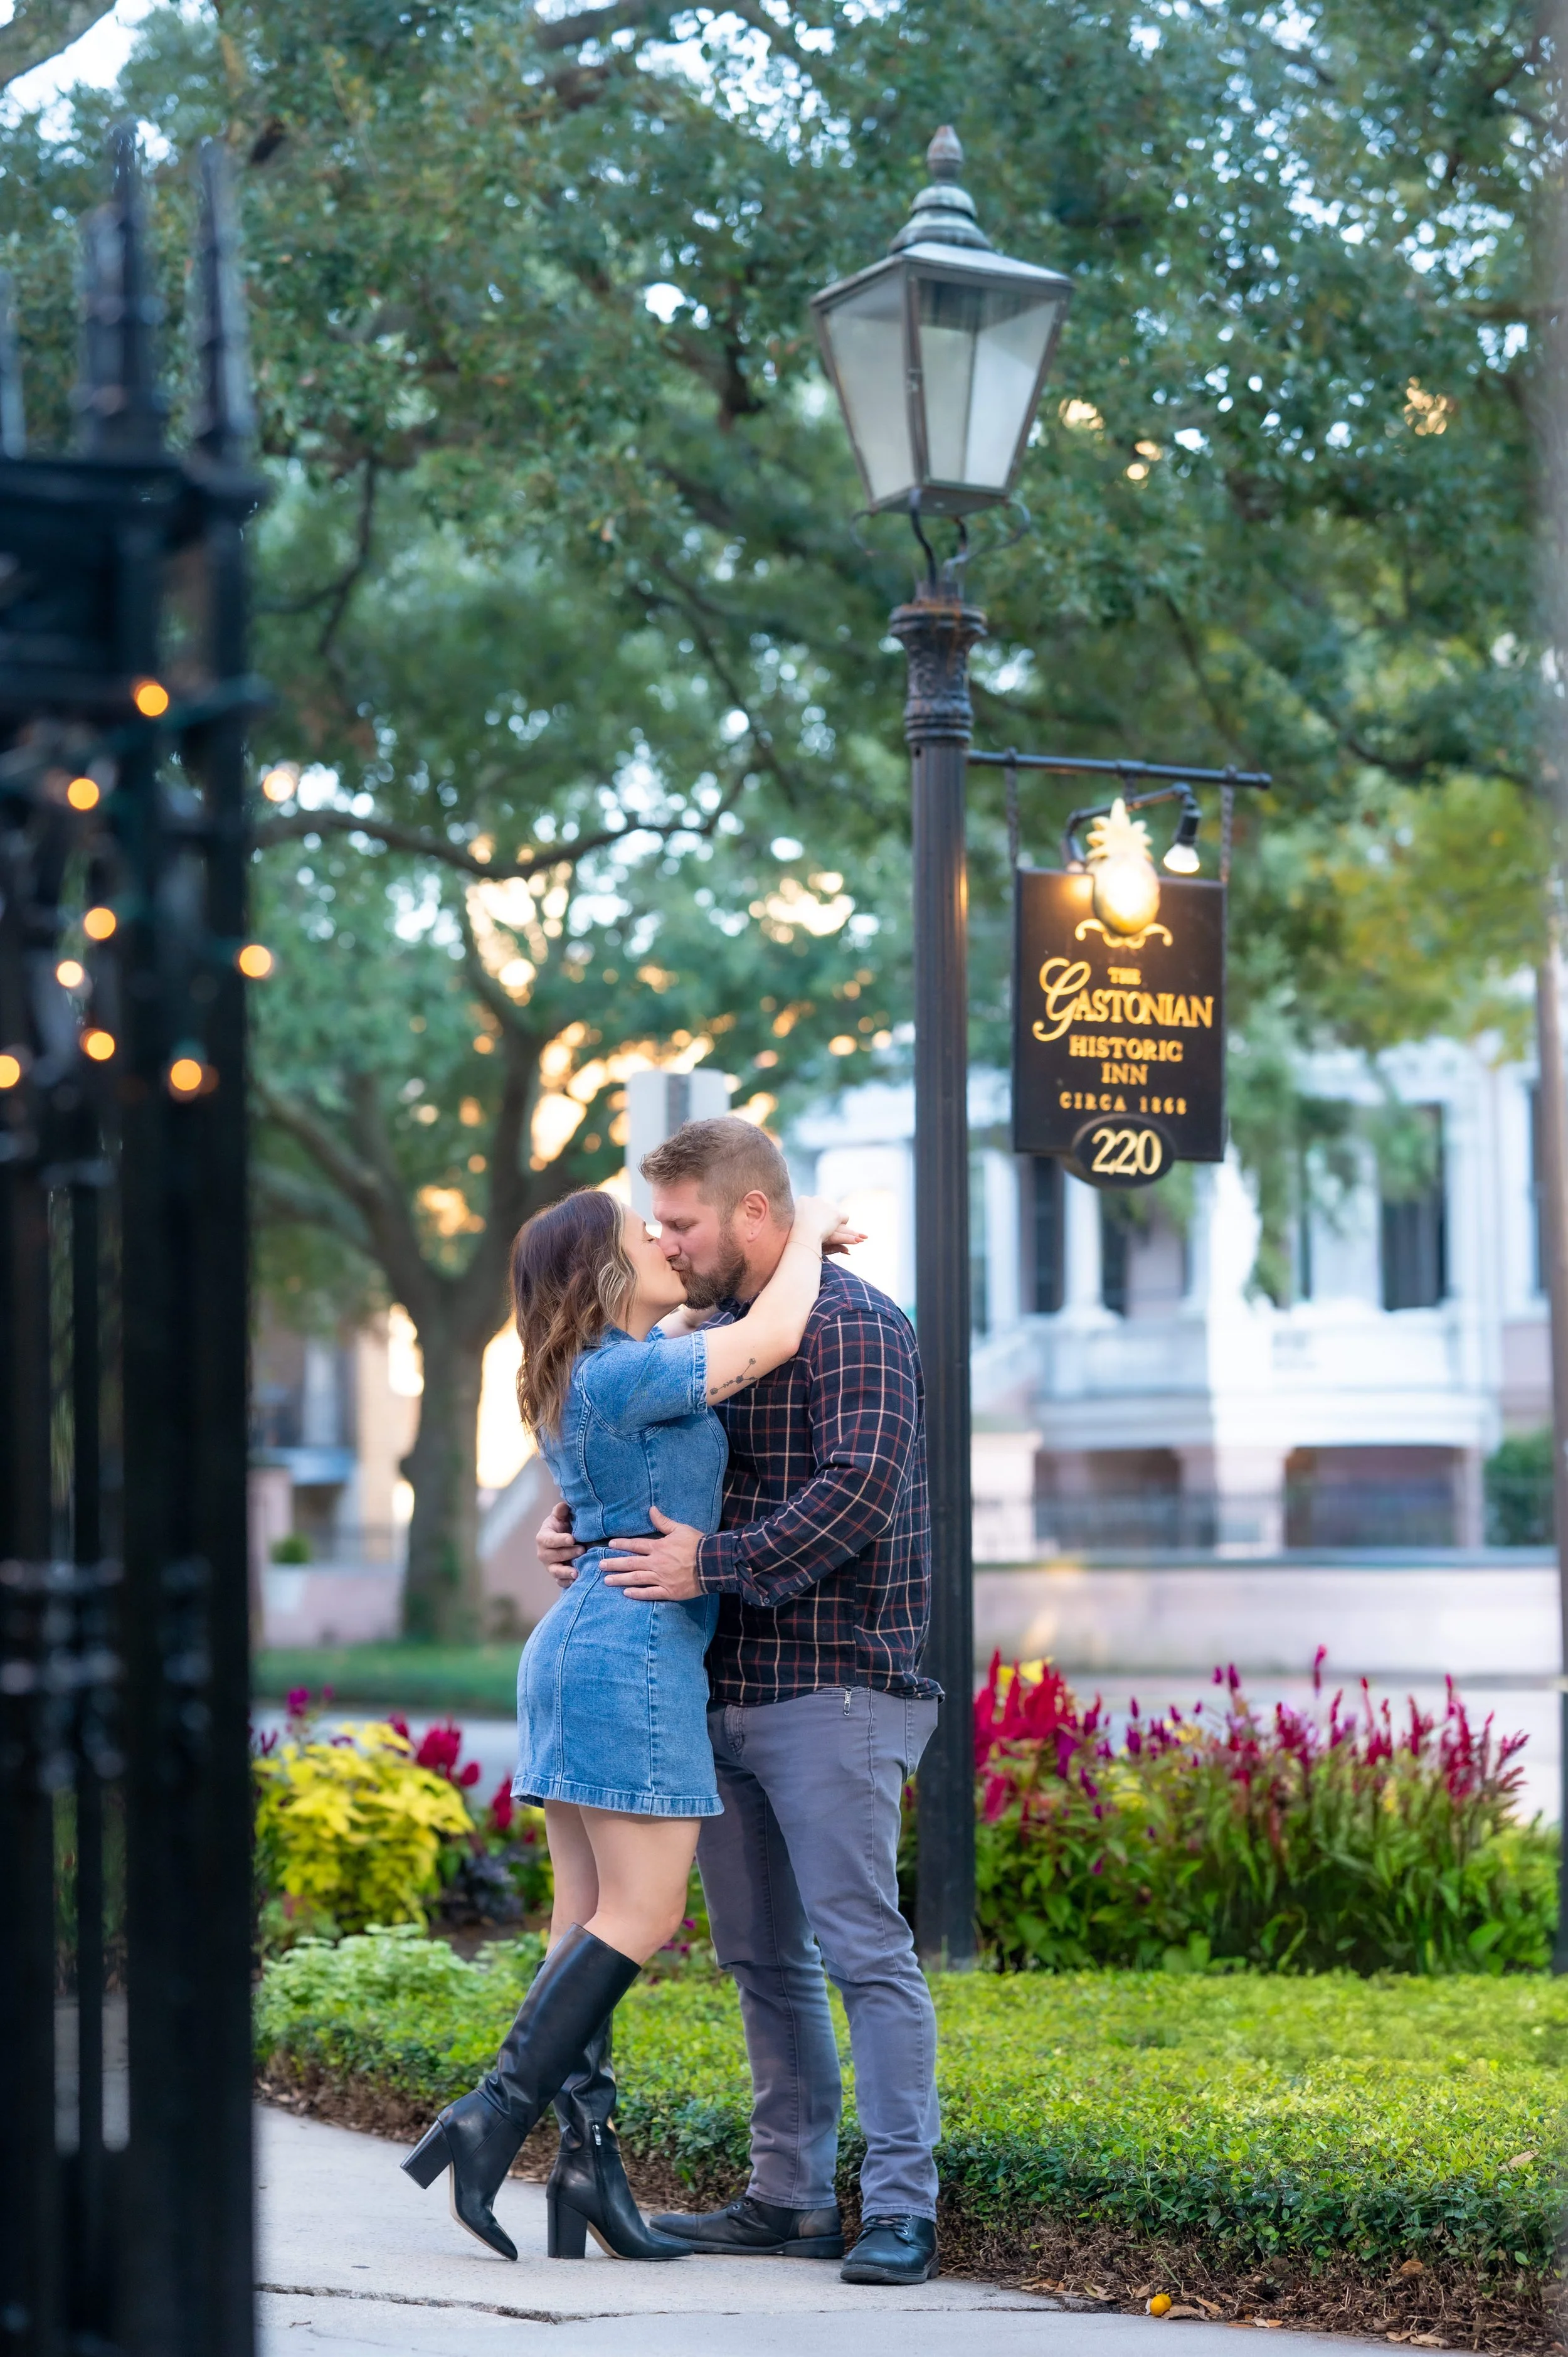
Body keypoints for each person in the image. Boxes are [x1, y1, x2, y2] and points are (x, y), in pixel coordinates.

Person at [401, 1181, 850, 2264]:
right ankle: (492, 2114)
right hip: (634, 1656)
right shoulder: (629, 1373)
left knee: (582, 1923)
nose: (662, 1238)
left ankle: (588, 2168)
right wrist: (814, 1229)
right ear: (601, 1274)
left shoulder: (587, 1377)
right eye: (640, 1233)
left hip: (578, 1647)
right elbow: (778, 1329)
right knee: (640, 1921)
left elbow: (703, 1333)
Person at [538, 1116, 942, 2289]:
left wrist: (704, 1564)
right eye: (653, 1222)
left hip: (839, 1680)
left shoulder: (857, 1323)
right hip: (716, 1685)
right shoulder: (708, 1335)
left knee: (865, 1951)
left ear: (755, 1215)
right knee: (763, 1960)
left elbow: (857, 1488)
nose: (662, 1241)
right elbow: (652, 1462)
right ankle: (789, 2199)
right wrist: (592, 1531)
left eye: (681, 1221)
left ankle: (902, 2209)